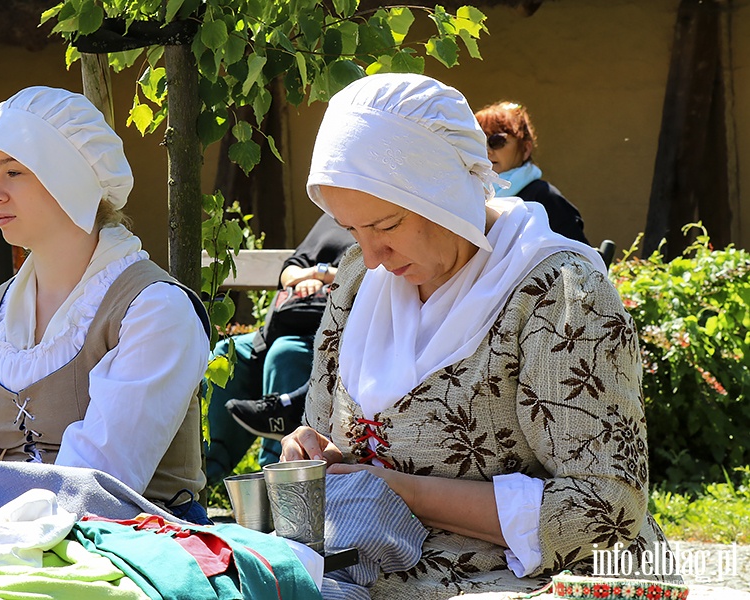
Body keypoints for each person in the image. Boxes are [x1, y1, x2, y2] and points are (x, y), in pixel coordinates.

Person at [280, 74, 678, 597]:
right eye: (352, 229)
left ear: (443, 188)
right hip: (371, 570)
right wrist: (310, 453)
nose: (373, 255)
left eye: (388, 225)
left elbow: (604, 509)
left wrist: (400, 492)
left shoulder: (557, 294)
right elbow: (326, 438)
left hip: (528, 581)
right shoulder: (358, 280)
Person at [0, 86, 213, 525]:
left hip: (138, 549)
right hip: (9, 541)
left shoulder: (153, 309)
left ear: (70, 176)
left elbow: (100, 483)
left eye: (14, 172)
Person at [205, 213, 354, 485]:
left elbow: (375, 274)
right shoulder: (333, 216)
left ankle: (275, 482)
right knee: (227, 354)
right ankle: (204, 476)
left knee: (285, 355)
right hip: (281, 326)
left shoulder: (381, 220)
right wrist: (309, 275)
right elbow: (290, 268)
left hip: (330, 335)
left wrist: (324, 276)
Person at [475, 100, 590, 244]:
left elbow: (579, 260)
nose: (488, 150)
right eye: (478, 141)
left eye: (497, 140)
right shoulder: (468, 195)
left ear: (526, 149)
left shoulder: (544, 197)